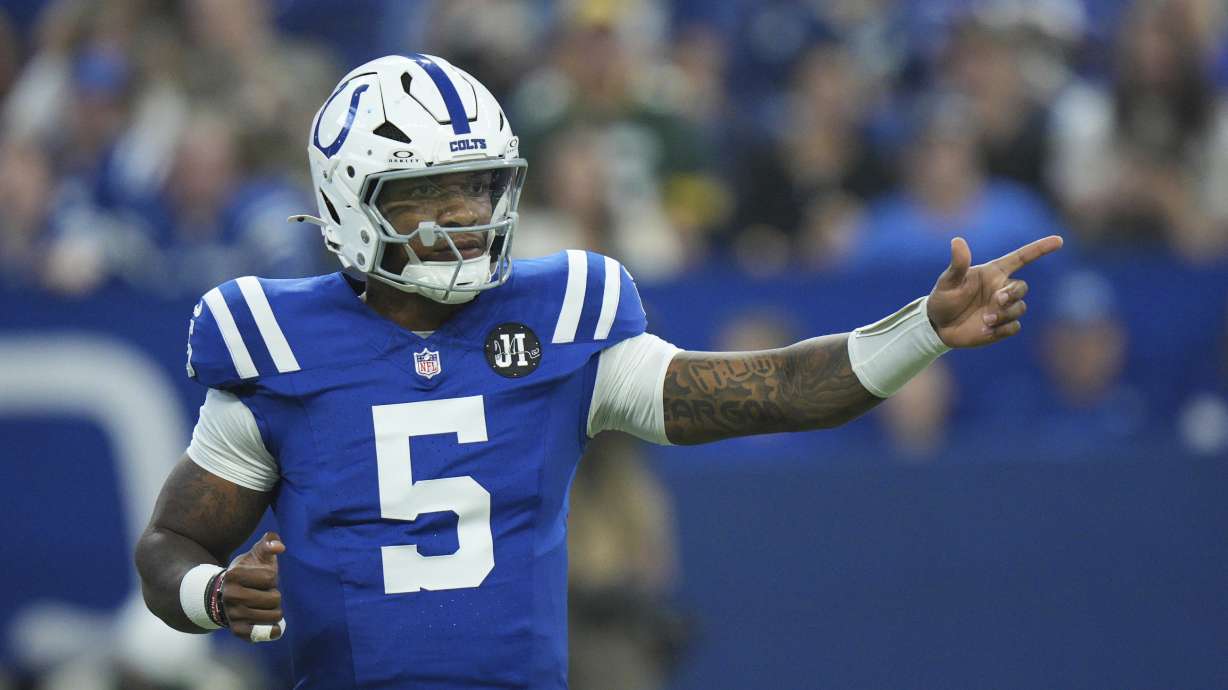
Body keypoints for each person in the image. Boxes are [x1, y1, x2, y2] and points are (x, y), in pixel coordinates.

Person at [134, 54, 1062, 689]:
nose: (464, 216)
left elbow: (779, 390)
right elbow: (170, 542)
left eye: (478, 186)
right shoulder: (279, 343)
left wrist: (923, 331)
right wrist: (211, 594)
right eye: (425, 194)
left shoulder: (564, 318)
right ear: (348, 203)